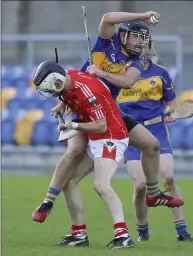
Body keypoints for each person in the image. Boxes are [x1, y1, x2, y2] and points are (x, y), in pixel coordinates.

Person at [32, 12, 184, 240]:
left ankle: (152, 194)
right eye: (136, 37)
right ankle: (48, 202)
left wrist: (100, 73)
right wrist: (143, 16)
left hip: (109, 109)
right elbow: (107, 17)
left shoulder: (139, 59)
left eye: (144, 39)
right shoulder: (106, 42)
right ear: (122, 36)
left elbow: (128, 81)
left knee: (151, 145)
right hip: (82, 106)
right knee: (74, 151)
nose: (142, 42)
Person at [32, 60, 135, 249]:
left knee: (101, 185)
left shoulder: (89, 93)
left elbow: (102, 125)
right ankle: (79, 234)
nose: (54, 93)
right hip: (95, 137)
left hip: (111, 136)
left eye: (53, 89)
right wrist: (61, 106)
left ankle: (123, 235)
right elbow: (66, 95)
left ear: (57, 80)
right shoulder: (66, 78)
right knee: (68, 182)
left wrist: (72, 125)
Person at [116, 58, 193, 242]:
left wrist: (171, 112)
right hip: (131, 133)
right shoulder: (119, 71)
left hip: (157, 131)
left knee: (168, 177)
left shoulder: (161, 73)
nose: (141, 47)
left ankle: (182, 231)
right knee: (140, 185)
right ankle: (142, 230)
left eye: (145, 43)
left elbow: (172, 104)